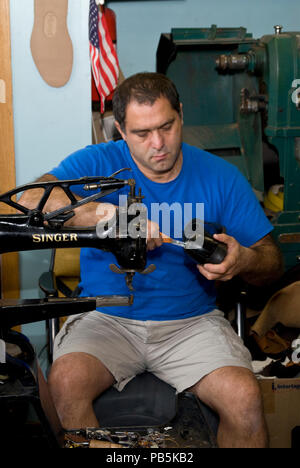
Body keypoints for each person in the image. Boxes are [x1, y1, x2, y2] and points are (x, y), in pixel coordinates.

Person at [20, 72, 283, 448]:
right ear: (121, 131)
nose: (158, 144)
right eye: (142, 134)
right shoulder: (99, 164)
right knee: (64, 383)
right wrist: (107, 217)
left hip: (190, 324)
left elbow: (272, 261)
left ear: (181, 115)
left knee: (244, 399)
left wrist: (245, 261)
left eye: (167, 126)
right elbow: (30, 201)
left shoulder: (221, 176)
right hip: (108, 318)